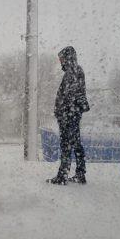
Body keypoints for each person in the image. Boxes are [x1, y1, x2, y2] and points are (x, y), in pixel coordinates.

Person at [47, 46, 89, 185]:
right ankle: (80, 174)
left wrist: (63, 111)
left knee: (66, 144)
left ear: (67, 58)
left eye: (61, 59)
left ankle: (62, 176)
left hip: (69, 114)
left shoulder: (73, 72)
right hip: (72, 113)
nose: (60, 62)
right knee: (75, 143)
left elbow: (69, 95)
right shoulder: (76, 70)